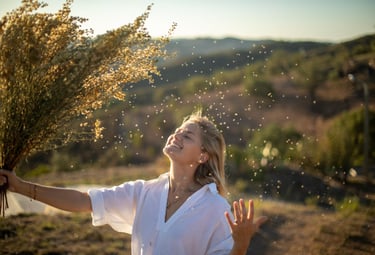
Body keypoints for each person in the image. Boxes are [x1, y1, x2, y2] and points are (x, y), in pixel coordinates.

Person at [0, 110, 267, 255]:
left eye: (187, 136)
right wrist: (19, 186)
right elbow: (84, 201)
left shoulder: (215, 209)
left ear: (202, 156)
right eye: (177, 131)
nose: (176, 135)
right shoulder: (144, 192)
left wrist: (240, 245)